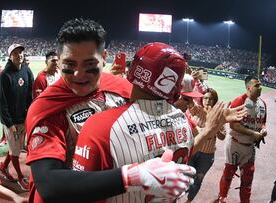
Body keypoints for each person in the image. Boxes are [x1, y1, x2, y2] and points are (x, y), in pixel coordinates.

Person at [26, 18, 207, 203]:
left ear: (104, 57)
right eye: (69, 65)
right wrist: (132, 176)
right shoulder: (47, 106)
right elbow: (49, 185)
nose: (79, 74)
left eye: (89, 65)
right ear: (59, 61)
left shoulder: (120, 85)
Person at [72, 42, 246, 202]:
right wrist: (209, 130)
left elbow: (79, 192)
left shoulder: (100, 126)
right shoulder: (183, 121)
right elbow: (188, 150)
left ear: (136, 71)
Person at [215, 75, 267, 203]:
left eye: (260, 85)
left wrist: (263, 130)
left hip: (250, 147)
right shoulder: (239, 101)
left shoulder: (263, 104)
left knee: (248, 178)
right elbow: (234, 125)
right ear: (248, 87)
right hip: (234, 144)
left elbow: (263, 123)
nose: (260, 88)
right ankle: (222, 197)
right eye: (257, 86)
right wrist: (252, 134)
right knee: (228, 174)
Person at [0, 43, 34, 191]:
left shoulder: (27, 70)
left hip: (23, 118)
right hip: (10, 121)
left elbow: (30, 96)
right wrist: (10, 124)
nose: (19, 55)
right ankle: (19, 176)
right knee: (16, 150)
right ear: (10, 56)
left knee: (16, 147)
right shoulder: (5, 75)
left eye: (21, 52)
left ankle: (3, 166)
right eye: (15, 53)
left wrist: (28, 115)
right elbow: (2, 103)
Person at [185, 88, 226, 203]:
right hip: (192, 150)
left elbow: (223, 136)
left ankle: (188, 201)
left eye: (211, 99)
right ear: (202, 99)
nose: (207, 101)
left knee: (197, 180)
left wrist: (214, 127)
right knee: (184, 176)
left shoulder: (218, 116)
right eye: (205, 98)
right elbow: (189, 106)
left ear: (215, 101)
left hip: (206, 156)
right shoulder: (197, 110)